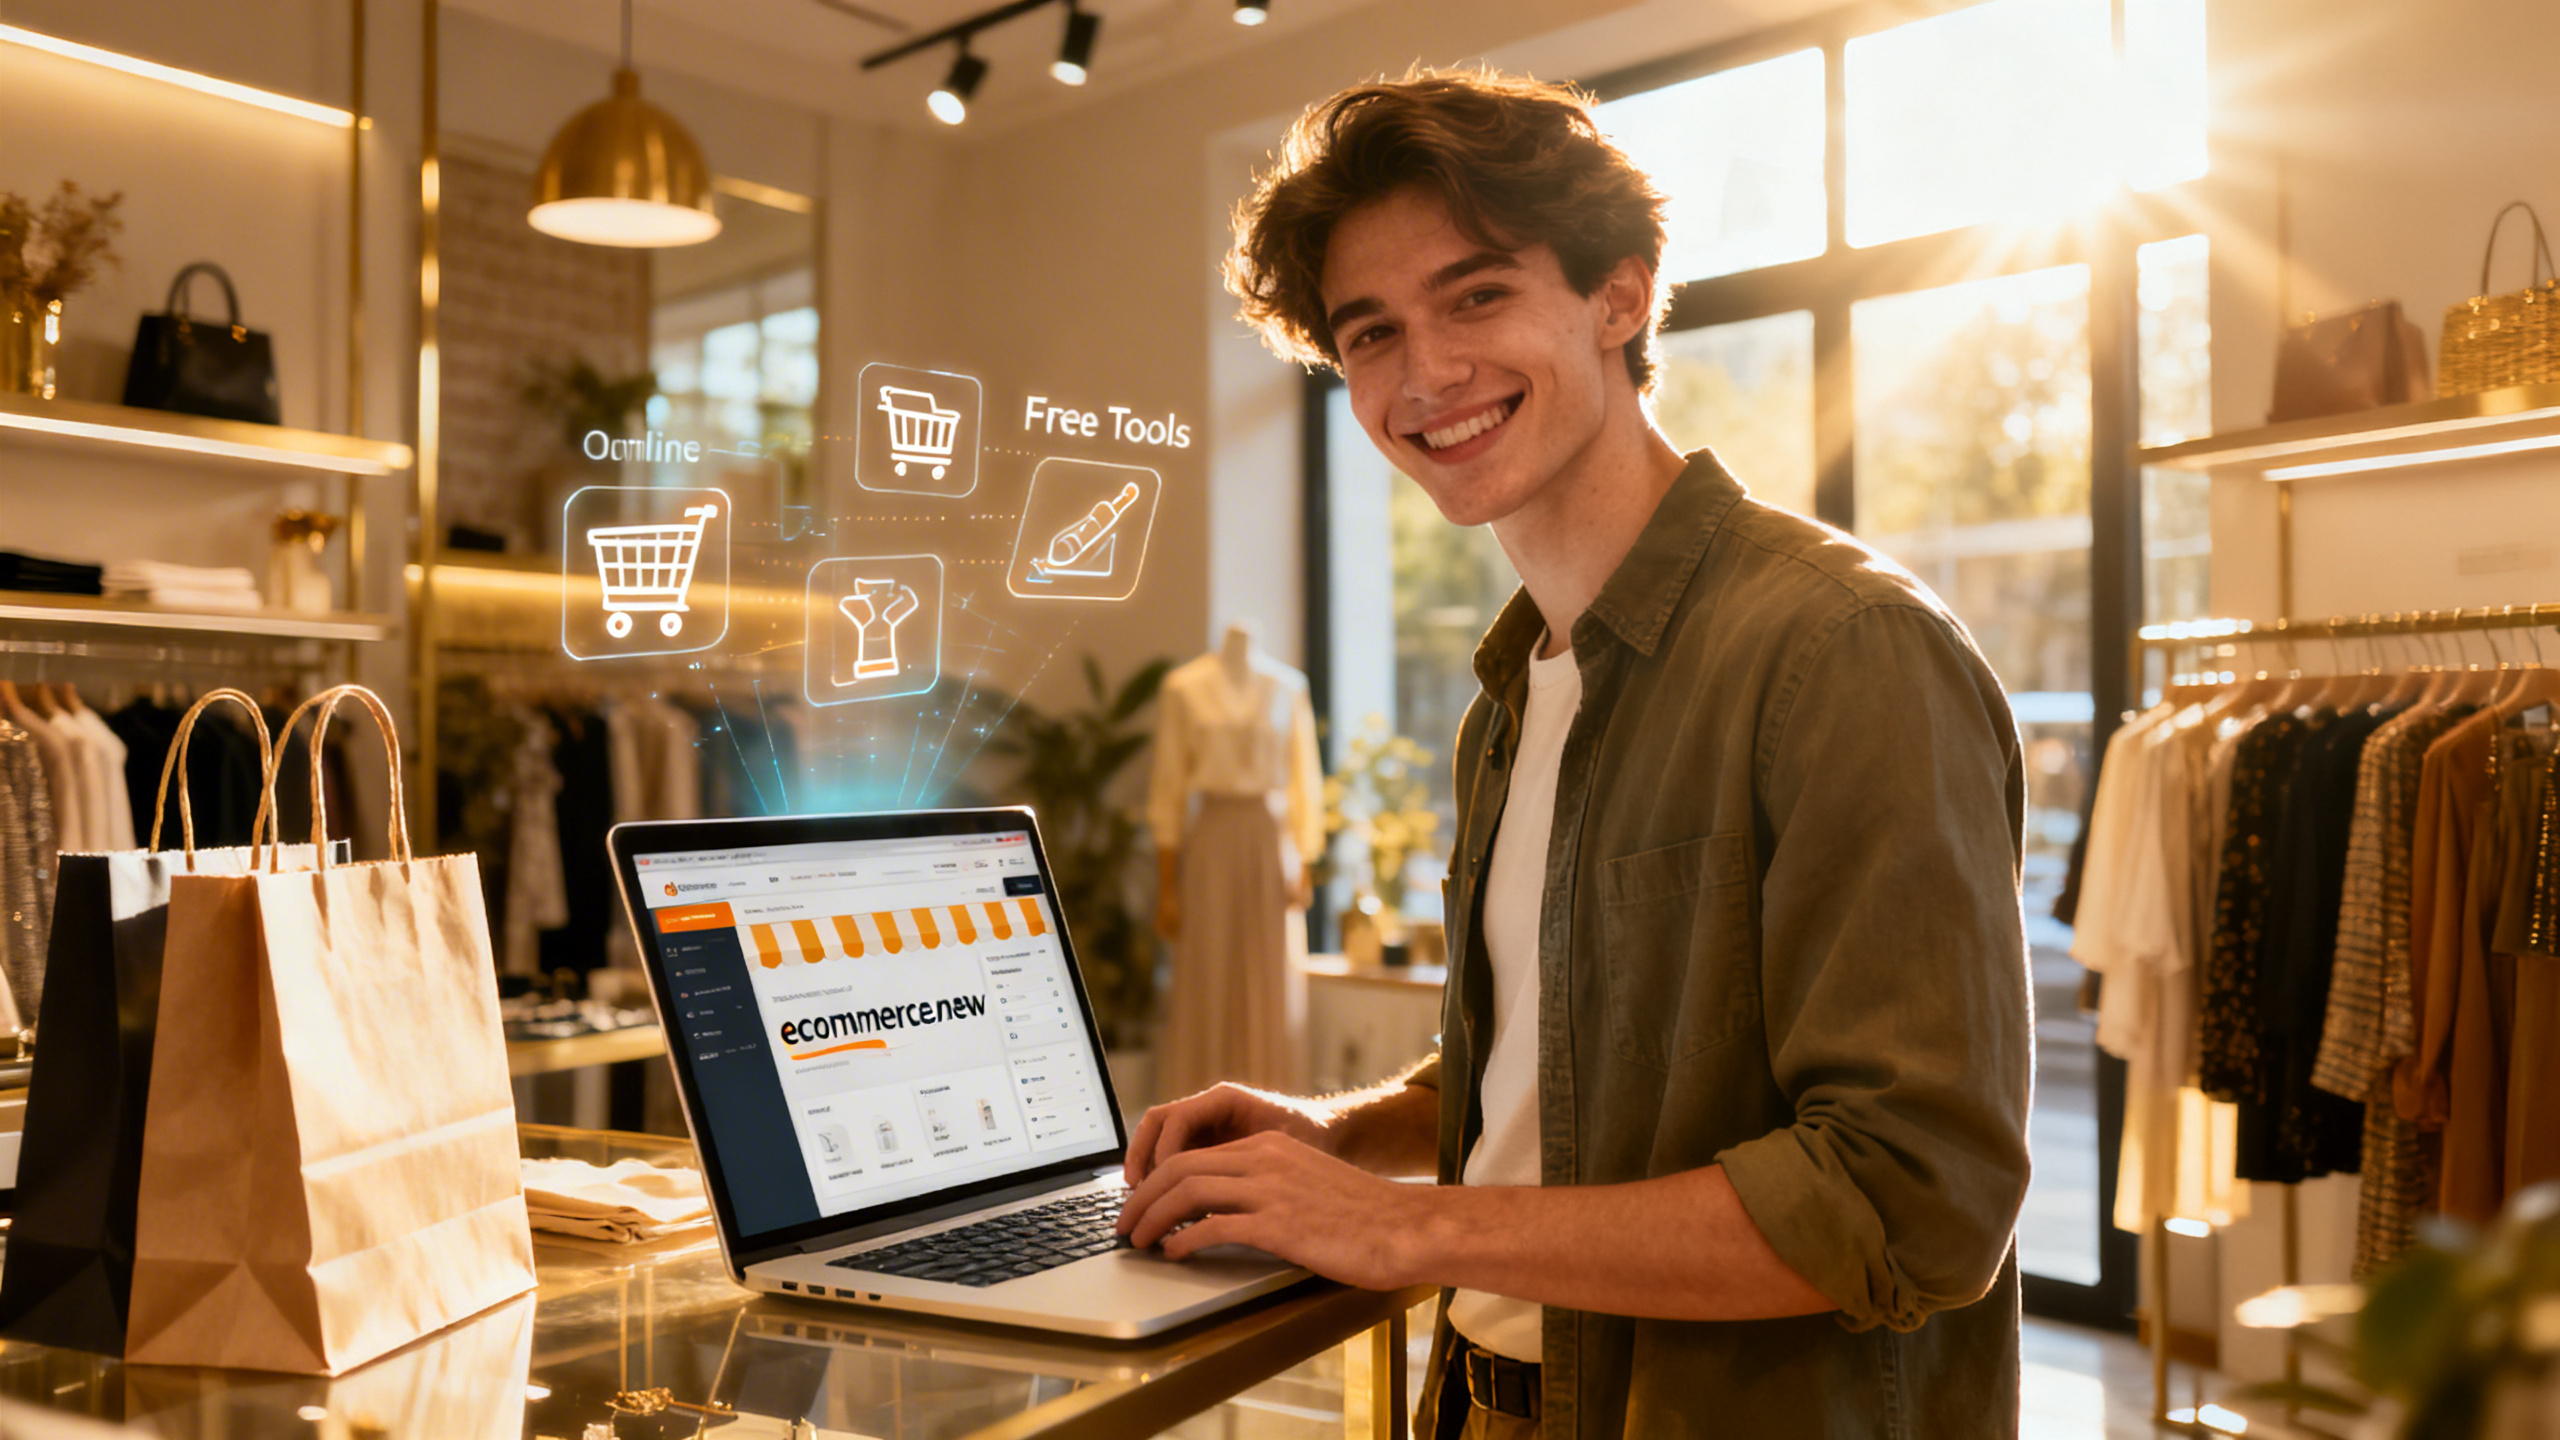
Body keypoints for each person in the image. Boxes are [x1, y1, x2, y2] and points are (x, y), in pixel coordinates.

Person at [1113, 67, 2034, 1437]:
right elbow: (1571, 1068)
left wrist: (1410, 1230)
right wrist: (1344, 1134)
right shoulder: (1514, 690)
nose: (1424, 376)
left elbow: (1908, 1199)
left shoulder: (1842, 650)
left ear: (1621, 295)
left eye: (1476, 295)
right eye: (1370, 335)